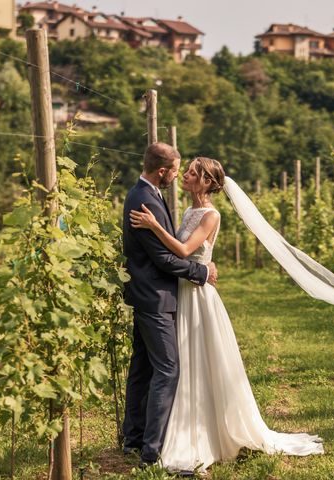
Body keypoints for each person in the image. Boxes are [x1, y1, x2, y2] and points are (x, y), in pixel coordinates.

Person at [130, 157, 324, 473]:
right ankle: (182, 427)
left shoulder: (210, 214)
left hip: (198, 295)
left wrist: (153, 226)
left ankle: (207, 432)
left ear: (207, 182)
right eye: (187, 170)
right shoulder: (190, 211)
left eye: (193, 173)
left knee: (200, 359)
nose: (187, 176)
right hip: (184, 288)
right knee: (184, 362)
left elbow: (182, 250)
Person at [122, 143, 218, 467]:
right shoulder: (145, 199)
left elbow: (177, 247)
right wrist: (201, 271)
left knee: (143, 368)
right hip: (156, 297)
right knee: (168, 369)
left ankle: (133, 440)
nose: (180, 177)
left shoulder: (145, 195)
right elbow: (164, 258)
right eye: (178, 171)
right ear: (163, 171)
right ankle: (151, 453)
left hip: (158, 294)